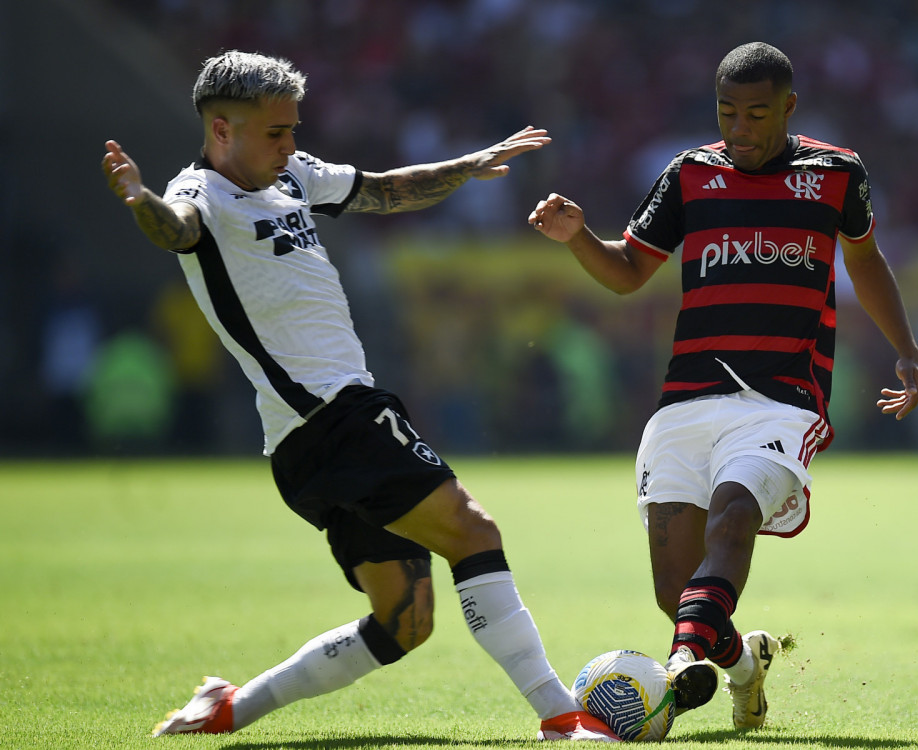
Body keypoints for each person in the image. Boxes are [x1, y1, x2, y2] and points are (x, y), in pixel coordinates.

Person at [102, 50, 617, 743]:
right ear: (222, 130)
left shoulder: (293, 175)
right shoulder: (200, 193)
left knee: (404, 621)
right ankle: (563, 718)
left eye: (292, 128)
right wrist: (139, 201)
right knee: (474, 532)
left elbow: (384, 189)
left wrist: (470, 165)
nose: (289, 146)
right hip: (335, 416)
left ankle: (229, 708)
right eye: (275, 133)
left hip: (303, 441)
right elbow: (179, 228)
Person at [528, 42, 918, 730]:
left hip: (781, 398)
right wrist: (577, 237)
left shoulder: (836, 174)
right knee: (676, 589)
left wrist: (907, 353)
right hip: (686, 398)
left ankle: (684, 659)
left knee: (735, 513)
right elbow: (628, 270)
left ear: (789, 108)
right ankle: (745, 665)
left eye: (756, 114)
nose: (740, 129)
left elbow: (865, 260)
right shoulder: (689, 174)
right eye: (727, 114)